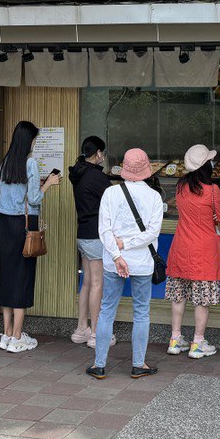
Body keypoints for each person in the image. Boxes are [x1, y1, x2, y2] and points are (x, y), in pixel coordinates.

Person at [87, 148, 164, 380]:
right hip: (142, 262)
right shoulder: (154, 197)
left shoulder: (111, 193)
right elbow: (153, 233)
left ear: (124, 168)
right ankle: (138, 364)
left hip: (113, 262)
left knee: (107, 310)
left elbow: (104, 229)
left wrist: (117, 254)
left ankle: (99, 365)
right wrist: (128, 245)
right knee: (141, 312)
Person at [0, 120, 60, 353]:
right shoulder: (30, 162)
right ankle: (17, 336)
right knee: (22, 277)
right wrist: (49, 184)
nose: (35, 142)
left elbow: (12, 194)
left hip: (6, 223)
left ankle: (5, 335)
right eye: (34, 138)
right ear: (29, 140)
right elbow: (33, 199)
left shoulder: (6, 162)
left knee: (8, 276)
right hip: (24, 224)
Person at [165, 144, 220, 360]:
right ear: (206, 166)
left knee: (178, 296)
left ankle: (175, 340)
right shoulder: (212, 191)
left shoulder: (180, 187)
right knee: (202, 299)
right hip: (203, 251)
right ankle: (198, 343)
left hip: (181, 247)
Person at [69, 136, 112, 347]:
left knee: (86, 282)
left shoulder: (78, 172)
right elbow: (113, 200)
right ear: (99, 153)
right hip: (96, 235)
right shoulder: (96, 176)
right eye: (102, 152)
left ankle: (80, 329)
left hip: (83, 233)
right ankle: (96, 334)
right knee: (97, 283)